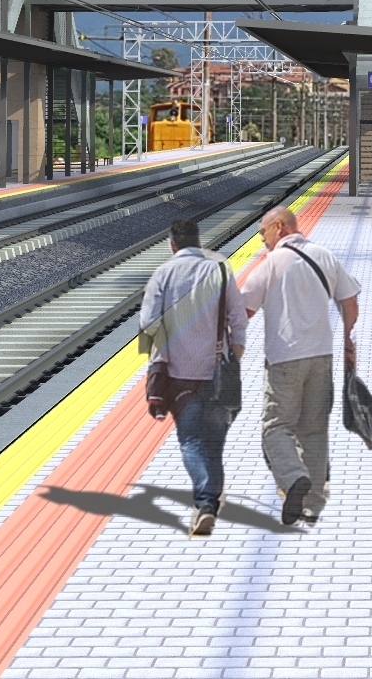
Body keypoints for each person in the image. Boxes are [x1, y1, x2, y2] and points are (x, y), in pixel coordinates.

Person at [240, 205, 360, 526]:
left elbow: (243, 310)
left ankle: (293, 479)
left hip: (285, 359)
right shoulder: (324, 256)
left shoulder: (271, 264)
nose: (262, 239)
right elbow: (349, 301)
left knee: (275, 427)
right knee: (314, 430)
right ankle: (313, 504)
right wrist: (348, 340)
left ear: (278, 227)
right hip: (322, 357)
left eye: (262, 232)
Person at [139, 217, 247, 536]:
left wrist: (162, 352)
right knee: (213, 442)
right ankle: (210, 498)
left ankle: (205, 503)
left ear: (172, 245)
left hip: (178, 374)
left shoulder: (163, 274)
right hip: (216, 371)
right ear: (199, 243)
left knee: (191, 441)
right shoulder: (220, 271)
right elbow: (238, 321)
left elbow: (148, 323)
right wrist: (232, 358)